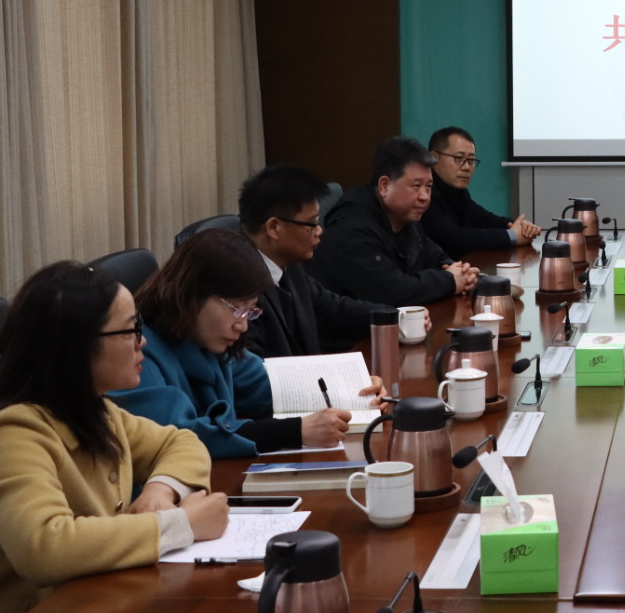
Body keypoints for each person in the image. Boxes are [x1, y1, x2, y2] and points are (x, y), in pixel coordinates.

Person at [0, 262, 227, 613]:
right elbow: (44, 546)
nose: (143, 342)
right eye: (130, 330)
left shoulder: (93, 408)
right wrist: (179, 525)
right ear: (77, 346)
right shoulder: (10, 432)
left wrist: (160, 490)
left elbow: (180, 441)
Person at [110, 229, 365, 457]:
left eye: (250, 311)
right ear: (192, 294)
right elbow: (175, 438)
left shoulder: (207, 339)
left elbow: (274, 386)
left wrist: (358, 390)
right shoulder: (137, 354)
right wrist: (293, 431)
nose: (242, 326)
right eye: (236, 308)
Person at [237, 163, 394, 358]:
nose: (319, 231)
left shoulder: (288, 264)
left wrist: (394, 316)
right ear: (274, 228)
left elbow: (333, 309)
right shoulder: (239, 284)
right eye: (312, 223)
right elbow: (252, 367)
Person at [309, 136, 480, 305]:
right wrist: (449, 281)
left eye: (428, 187)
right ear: (384, 186)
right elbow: (392, 292)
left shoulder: (404, 217)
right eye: (416, 186)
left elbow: (436, 257)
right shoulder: (352, 230)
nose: (425, 197)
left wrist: (461, 273)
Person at [421, 125, 542, 256]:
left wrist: (522, 228)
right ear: (434, 158)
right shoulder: (424, 195)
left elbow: (485, 220)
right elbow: (456, 239)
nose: (467, 167)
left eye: (471, 160)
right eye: (459, 158)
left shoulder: (458, 193)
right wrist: (513, 235)